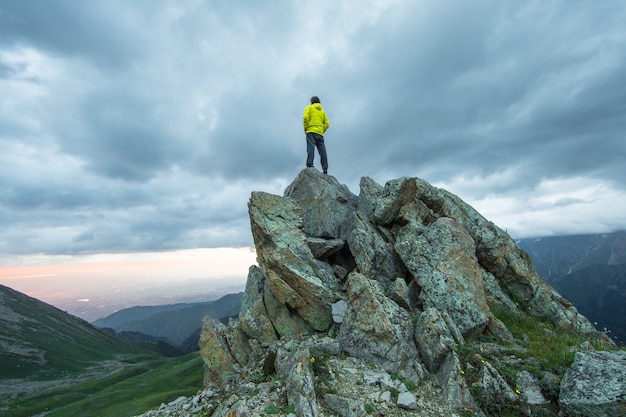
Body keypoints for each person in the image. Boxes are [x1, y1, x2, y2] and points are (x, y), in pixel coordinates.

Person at [303, 96, 330, 173]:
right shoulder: (323, 112)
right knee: (323, 152)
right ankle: (325, 169)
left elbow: (305, 117)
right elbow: (327, 124)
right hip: (320, 134)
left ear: (312, 102)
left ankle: (310, 164)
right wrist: (321, 130)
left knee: (310, 148)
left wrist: (306, 127)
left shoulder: (309, 107)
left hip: (310, 131)